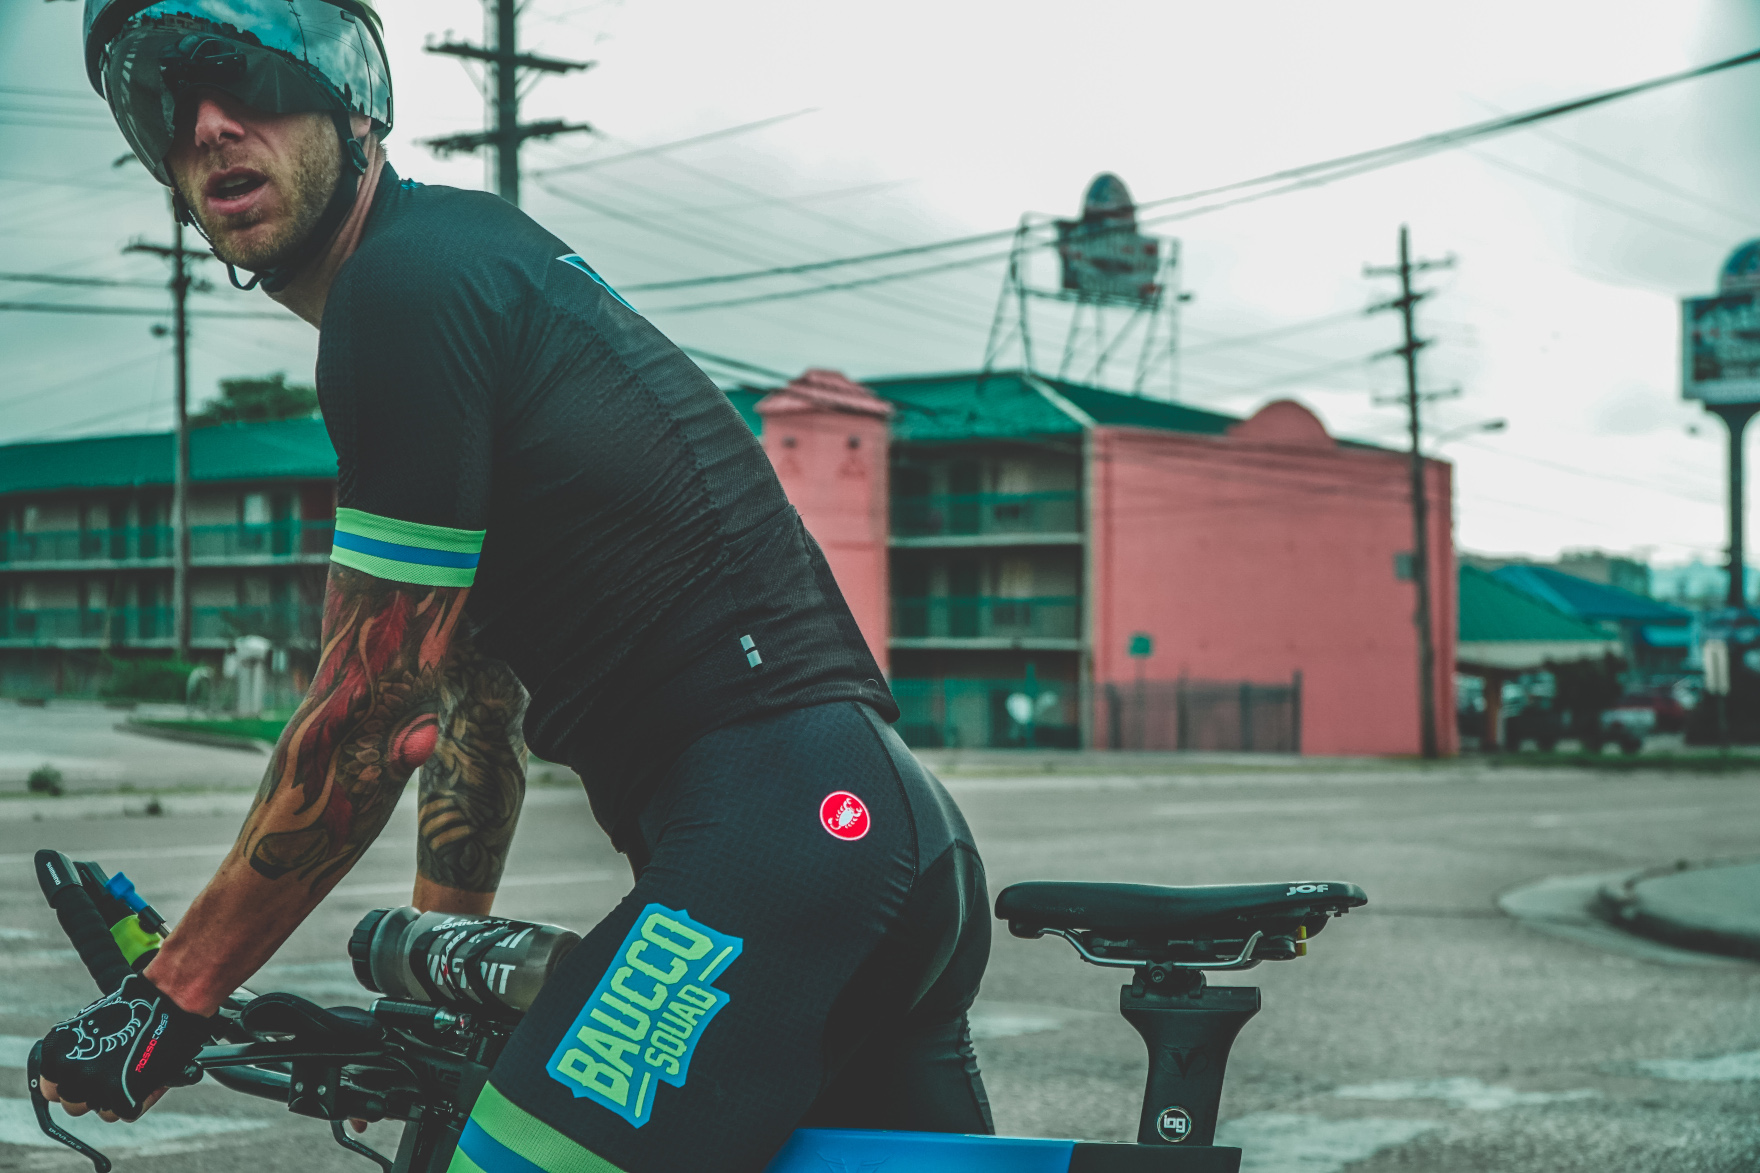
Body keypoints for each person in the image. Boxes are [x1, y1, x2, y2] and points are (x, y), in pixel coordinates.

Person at [43, 3, 993, 1169]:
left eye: (246, 79)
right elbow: (467, 706)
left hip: (781, 845)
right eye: (162, 104)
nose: (209, 125)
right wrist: (437, 968)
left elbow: (365, 716)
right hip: (849, 840)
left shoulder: (404, 288)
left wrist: (172, 992)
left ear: (351, 99)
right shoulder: (457, 264)